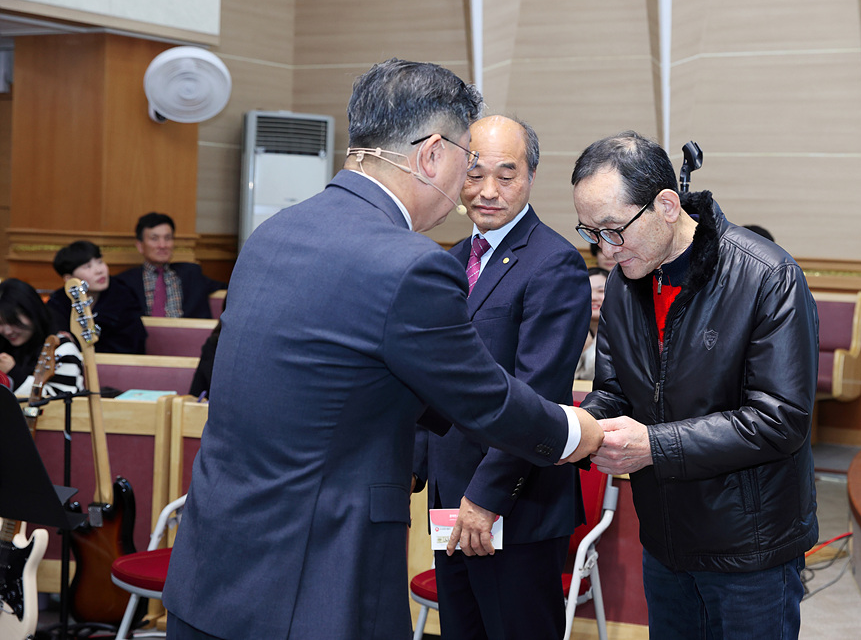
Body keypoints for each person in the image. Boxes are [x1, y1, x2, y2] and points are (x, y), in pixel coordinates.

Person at [161, 58, 603, 640]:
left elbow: (357, 382)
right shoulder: (408, 262)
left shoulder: (274, 233)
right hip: (315, 577)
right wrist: (576, 432)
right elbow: (485, 400)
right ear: (433, 154)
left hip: (215, 564)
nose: (473, 185)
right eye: (468, 162)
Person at [571, 131, 819, 639]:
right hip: (666, 541)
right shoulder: (624, 283)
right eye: (592, 233)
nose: (606, 250)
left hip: (750, 549)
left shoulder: (766, 276)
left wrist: (653, 446)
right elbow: (616, 390)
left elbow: (780, 421)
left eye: (614, 230)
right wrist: (579, 425)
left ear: (667, 206)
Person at [414, 115, 591, 639]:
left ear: (531, 176)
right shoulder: (451, 261)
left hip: (514, 502)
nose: (487, 191)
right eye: (474, 173)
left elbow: (537, 395)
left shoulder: (554, 263)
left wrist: (486, 497)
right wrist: (410, 473)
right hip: (450, 500)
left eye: (506, 175)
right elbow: (430, 381)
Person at [116, 212, 226, 319]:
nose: (162, 245)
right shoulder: (124, 282)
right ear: (140, 246)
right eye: (154, 238)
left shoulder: (191, 274)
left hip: (187, 331)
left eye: (167, 238)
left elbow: (228, 288)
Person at [47, 241, 147, 354]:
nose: (99, 270)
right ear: (69, 278)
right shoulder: (58, 302)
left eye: (100, 262)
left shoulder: (124, 296)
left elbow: (133, 343)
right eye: (87, 266)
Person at [0, 278, 84, 398]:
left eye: (14, 322)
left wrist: (13, 373)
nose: (7, 331)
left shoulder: (61, 348)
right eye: (0, 323)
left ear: (33, 313)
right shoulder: (4, 344)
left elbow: (60, 400)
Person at [575, 266, 609, 381]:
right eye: (587, 291)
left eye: (601, 291)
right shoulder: (567, 332)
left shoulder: (625, 334)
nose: (593, 297)